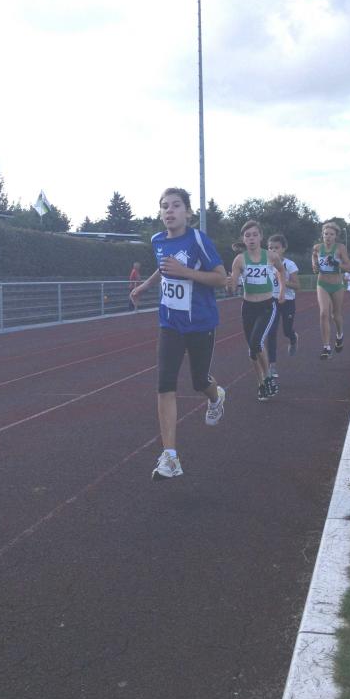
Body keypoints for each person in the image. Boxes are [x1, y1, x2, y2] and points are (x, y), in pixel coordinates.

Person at [130, 187, 227, 481]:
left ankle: (216, 396)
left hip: (200, 323)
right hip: (170, 323)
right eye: (164, 206)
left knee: (199, 381)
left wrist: (186, 272)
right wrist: (145, 286)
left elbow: (221, 278)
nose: (169, 211)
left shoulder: (198, 240)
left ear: (188, 212)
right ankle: (170, 457)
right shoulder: (157, 240)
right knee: (165, 384)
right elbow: (163, 268)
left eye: (175, 205)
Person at [228, 221, 286, 401]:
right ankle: (261, 384)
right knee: (253, 350)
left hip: (267, 306)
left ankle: (268, 377)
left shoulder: (271, 256)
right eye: (247, 235)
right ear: (243, 239)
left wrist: (282, 291)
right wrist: (230, 284)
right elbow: (233, 288)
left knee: (256, 342)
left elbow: (281, 271)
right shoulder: (239, 260)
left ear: (261, 237)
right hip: (248, 307)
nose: (251, 238)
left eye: (254, 235)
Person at [312, 222, 350, 359]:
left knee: (336, 315)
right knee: (324, 313)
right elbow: (314, 257)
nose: (328, 236)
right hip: (322, 283)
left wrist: (336, 263)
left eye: (331, 234)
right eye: (326, 234)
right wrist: (314, 265)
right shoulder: (317, 247)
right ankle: (326, 347)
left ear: (336, 236)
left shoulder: (340, 248)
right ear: (322, 235)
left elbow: (349, 268)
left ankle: (340, 335)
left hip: (337, 285)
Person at [266, 233, 300, 378]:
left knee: (286, 330)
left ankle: (293, 338)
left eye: (276, 248)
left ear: (284, 248)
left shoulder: (289, 265)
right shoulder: (265, 264)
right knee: (271, 331)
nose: (273, 250)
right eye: (270, 248)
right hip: (271, 300)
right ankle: (272, 365)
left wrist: (282, 281)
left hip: (287, 300)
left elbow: (297, 286)